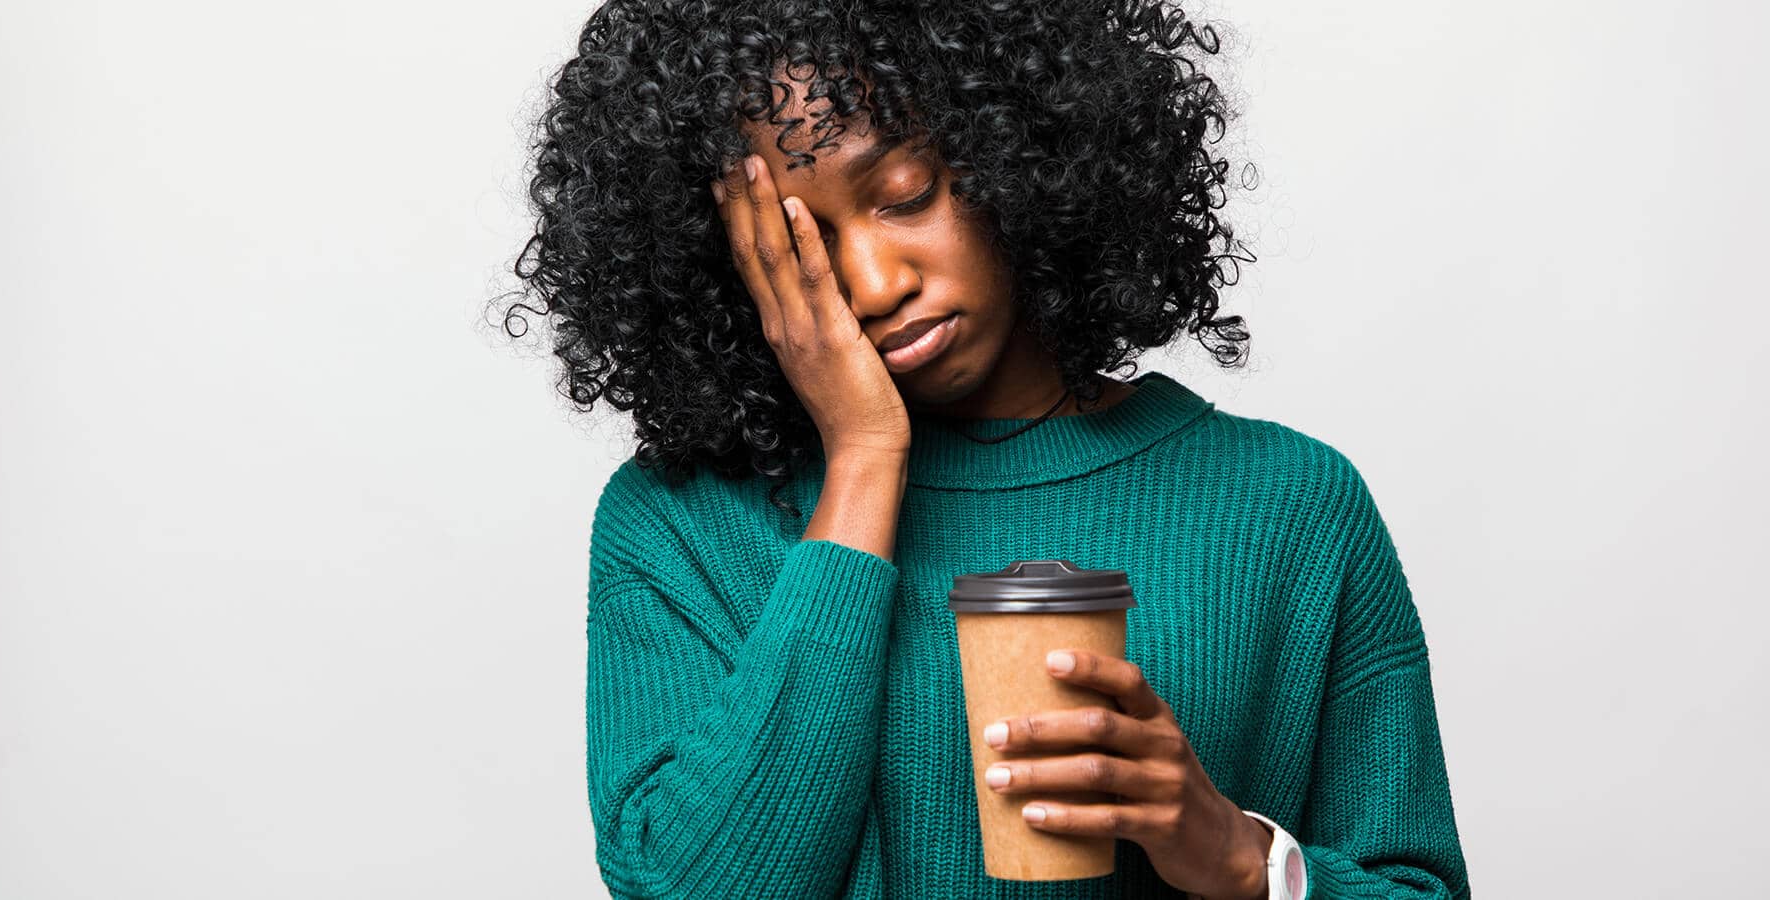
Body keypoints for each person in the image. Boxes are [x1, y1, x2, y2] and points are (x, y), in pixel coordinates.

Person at [500, 1, 1471, 897]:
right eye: (803, 248)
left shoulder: (1290, 505)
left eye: (907, 194)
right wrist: (865, 461)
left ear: (1019, 144)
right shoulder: (679, 527)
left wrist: (1236, 854)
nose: (875, 283)